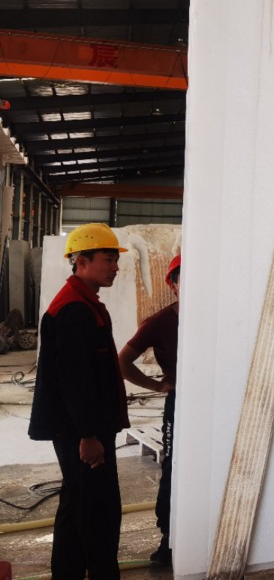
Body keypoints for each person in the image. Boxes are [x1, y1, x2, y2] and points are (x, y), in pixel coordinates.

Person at [29, 223, 129, 580]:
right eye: (108, 259)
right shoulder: (74, 310)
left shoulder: (84, 303)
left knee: (76, 507)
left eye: (115, 260)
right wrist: (88, 435)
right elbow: (75, 380)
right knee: (98, 513)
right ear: (81, 261)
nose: (115, 267)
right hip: (82, 432)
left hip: (83, 428)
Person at [118, 253, 180, 566]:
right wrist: (156, 386)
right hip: (180, 405)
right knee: (174, 467)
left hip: (214, 405)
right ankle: (169, 538)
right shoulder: (160, 322)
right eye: (183, 279)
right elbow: (122, 361)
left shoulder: (217, 317)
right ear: (173, 285)